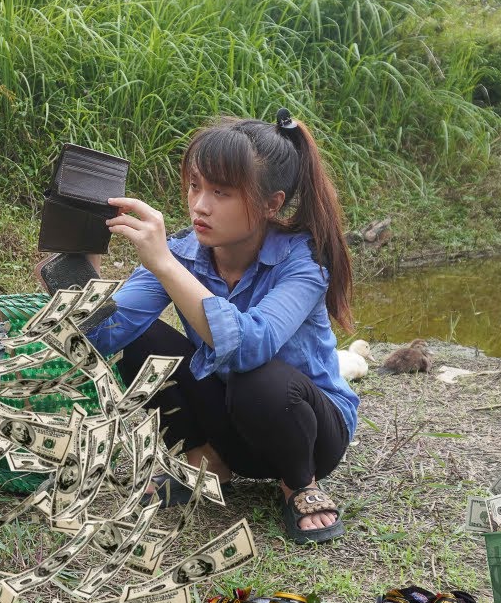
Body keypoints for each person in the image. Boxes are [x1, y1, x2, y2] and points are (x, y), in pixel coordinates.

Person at [83, 109, 359, 544]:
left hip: (306, 432)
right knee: (143, 341)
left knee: (260, 378)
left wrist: (167, 267)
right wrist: (83, 267)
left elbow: (252, 345)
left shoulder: (304, 261)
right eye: (195, 186)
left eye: (221, 192)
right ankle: (208, 462)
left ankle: (298, 485)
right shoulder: (181, 251)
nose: (200, 205)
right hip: (230, 423)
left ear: (272, 203)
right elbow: (104, 334)